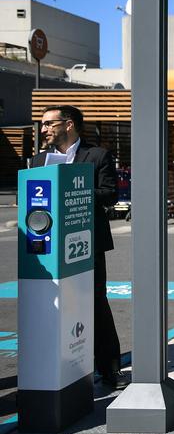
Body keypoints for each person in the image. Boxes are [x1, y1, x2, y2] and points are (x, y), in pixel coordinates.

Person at [32, 105, 125, 389]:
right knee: (54, 304)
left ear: (68, 124)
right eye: (43, 124)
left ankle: (109, 369)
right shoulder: (38, 161)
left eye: (48, 124)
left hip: (86, 242)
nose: (43, 129)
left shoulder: (96, 155)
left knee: (95, 302)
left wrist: (69, 189)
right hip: (48, 247)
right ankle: (61, 367)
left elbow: (110, 194)